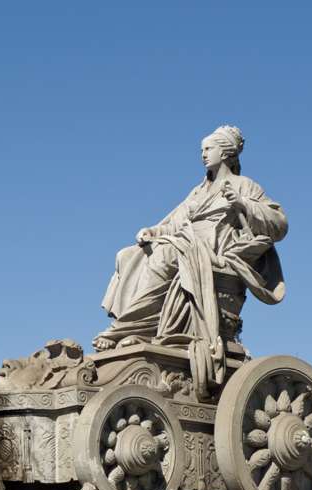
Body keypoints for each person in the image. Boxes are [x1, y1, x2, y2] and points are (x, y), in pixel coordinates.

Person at [93, 125, 289, 398]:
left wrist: (244, 204)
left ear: (226, 151)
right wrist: (153, 231)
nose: (203, 154)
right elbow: (174, 222)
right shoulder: (198, 191)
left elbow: (279, 224)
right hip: (186, 241)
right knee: (129, 255)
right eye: (202, 150)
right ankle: (140, 331)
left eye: (208, 149)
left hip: (212, 250)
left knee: (164, 255)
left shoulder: (245, 186)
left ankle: (123, 330)